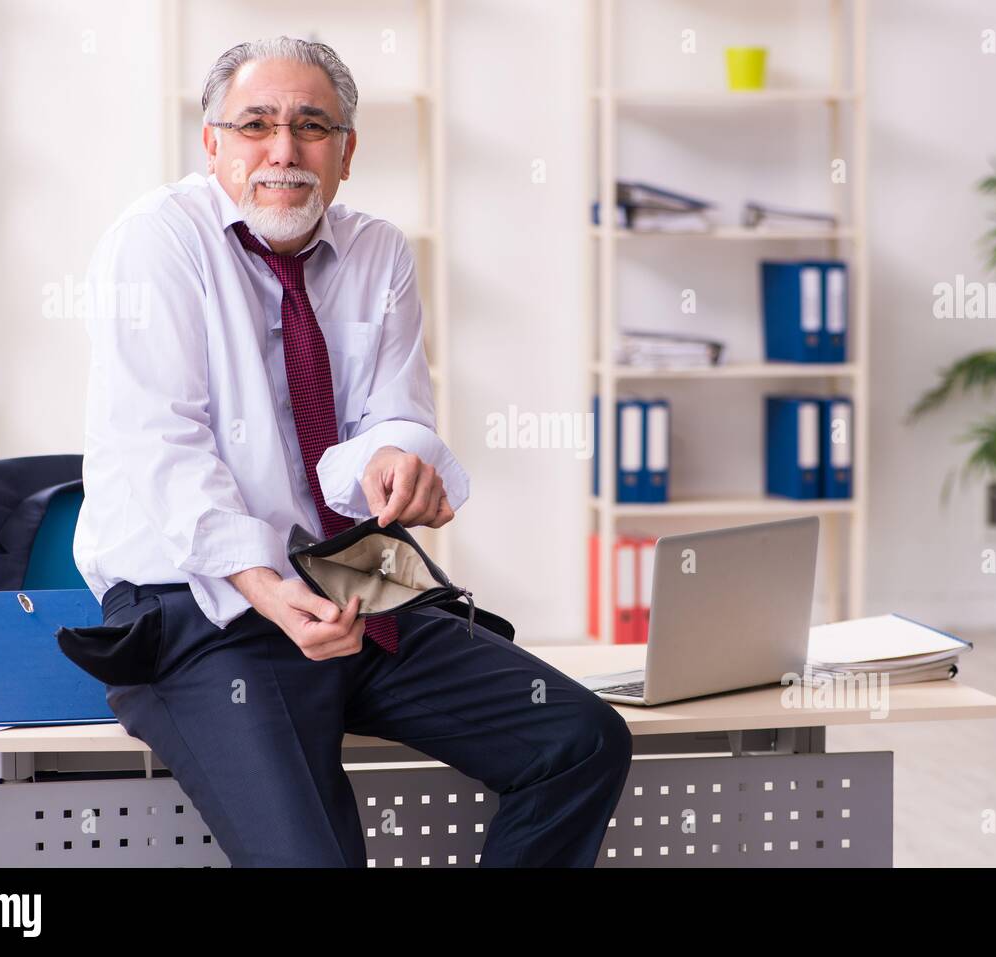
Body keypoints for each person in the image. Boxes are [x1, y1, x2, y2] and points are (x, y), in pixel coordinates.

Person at [71, 36, 632, 867]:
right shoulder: (157, 242)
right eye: (255, 124)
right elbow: (162, 448)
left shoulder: (377, 251)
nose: (283, 151)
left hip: (350, 584)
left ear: (347, 152)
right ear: (213, 143)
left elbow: (394, 414)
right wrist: (265, 586)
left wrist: (400, 459)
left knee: (581, 740)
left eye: (311, 127)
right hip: (201, 604)